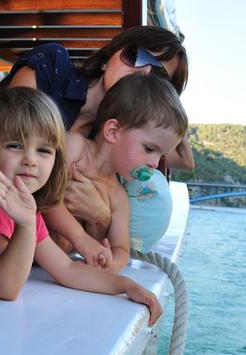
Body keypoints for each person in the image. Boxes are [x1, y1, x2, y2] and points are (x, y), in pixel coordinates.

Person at [0, 26, 190, 277]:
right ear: (112, 52)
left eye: (159, 77)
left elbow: (54, 237)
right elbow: (14, 147)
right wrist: (93, 217)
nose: (143, 72)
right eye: (137, 55)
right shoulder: (53, 69)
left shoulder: (110, 149)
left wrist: (99, 219)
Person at [0, 88, 161, 324]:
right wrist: (26, 224)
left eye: (44, 150)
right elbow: (6, 287)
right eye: (15, 146)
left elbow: (67, 269)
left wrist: (125, 286)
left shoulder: (26, 209)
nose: (30, 160)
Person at [44, 73, 187, 272]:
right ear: (113, 132)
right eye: (149, 149)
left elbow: (121, 249)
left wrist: (110, 264)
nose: (154, 164)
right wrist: (82, 239)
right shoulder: (74, 147)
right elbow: (45, 197)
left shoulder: (118, 196)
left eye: (161, 155)